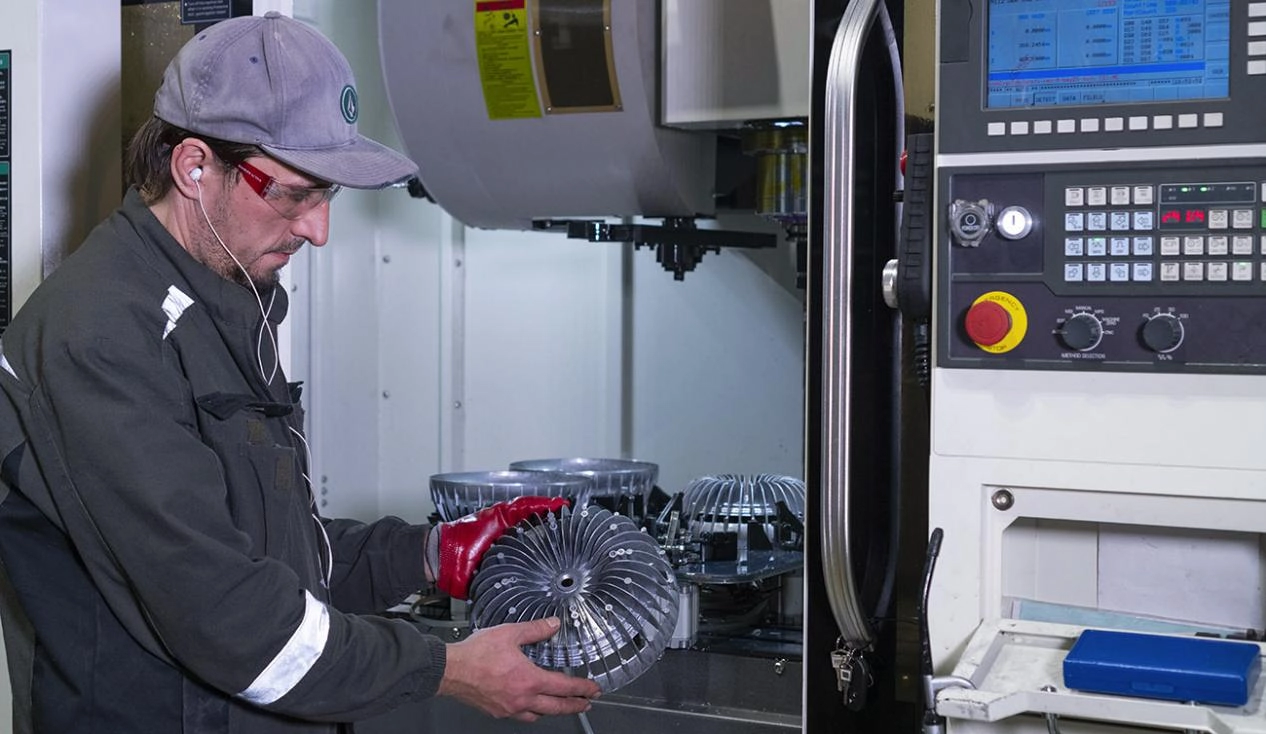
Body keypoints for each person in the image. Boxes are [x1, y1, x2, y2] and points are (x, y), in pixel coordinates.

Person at [0, 11, 600, 734]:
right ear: (194, 167)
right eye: (293, 192)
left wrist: (432, 554)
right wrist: (445, 668)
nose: (318, 229)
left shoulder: (222, 308)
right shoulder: (102, 336)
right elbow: (234, 624)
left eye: (330, 195)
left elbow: (278, 557)